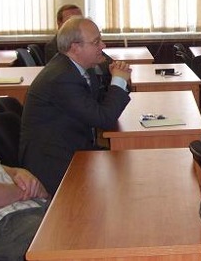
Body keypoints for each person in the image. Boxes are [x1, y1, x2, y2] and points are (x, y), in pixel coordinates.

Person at [20, 17, 132, 195]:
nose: (103, 46)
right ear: (75, 47)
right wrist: (118, 81)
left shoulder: (81, 68)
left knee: (126, 164)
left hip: (73, 147)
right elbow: (104, 119)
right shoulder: (62, 77)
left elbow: (100, 106)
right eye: (96, 42)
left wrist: (117, 79)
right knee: (123, 175)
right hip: (53, 163)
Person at [0, 143, 49, 261]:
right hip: (2, 226)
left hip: (31, 208)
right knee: (62, 243)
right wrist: (23, 192)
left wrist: (16, 172)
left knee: (80, 222)